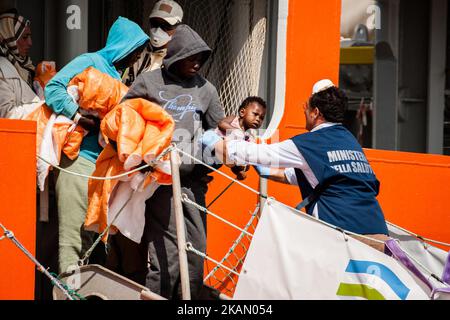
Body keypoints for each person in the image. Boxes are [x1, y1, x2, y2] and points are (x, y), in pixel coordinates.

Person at [107, 24, 225, 299]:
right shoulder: (149, 82)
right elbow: (121, 120)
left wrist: (227, 152)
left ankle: (190, 300)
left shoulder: (207, 90)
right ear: (175, 56)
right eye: (191, 57)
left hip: (192, 183)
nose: (197, 63)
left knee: (197, 251)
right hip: (157, 181)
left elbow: (218, 131)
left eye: (201, 58)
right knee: (167, 253)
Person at [208, 79, 389, 252]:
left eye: (306, 108)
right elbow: (307, 176)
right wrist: (265, 172)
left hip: (343, 237)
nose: (304, 112)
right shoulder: (350, 140)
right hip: (379, 235)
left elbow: (254, 153)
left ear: (315, 112)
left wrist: (210, 139)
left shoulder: (308, 143)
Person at [44, 16, 149, 274]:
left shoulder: (117, 75)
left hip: (102, 169)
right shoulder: (91, 61)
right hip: (78, 162)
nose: (135, 59)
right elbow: (53, 88)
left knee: (89, 240)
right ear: (122, 46)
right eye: (133, 52)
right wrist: (79, 116)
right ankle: (70, 291)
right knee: (73, 240)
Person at [122, 0, 183, 86]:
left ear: (177, 28)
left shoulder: (177, 60)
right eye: (155, 23)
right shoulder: (135, 48)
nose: (158, 30)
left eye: (166, 26)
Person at [0, 9, 40, 119]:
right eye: (24, 37)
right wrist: (41, 108)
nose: (30, 43)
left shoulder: (25, 66)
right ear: (10, 38)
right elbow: (6, 114)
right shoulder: (1, 69)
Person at [216, 96, 266, 180]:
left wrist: (242, 171)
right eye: (255, 114)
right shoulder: (233, 119)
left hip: (221, 159)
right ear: (242, 112)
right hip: (212, 147)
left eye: (261, 118)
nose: (258, 119)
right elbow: (221, 124)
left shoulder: (249, 139)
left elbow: (239, 161)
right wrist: (237, 132)